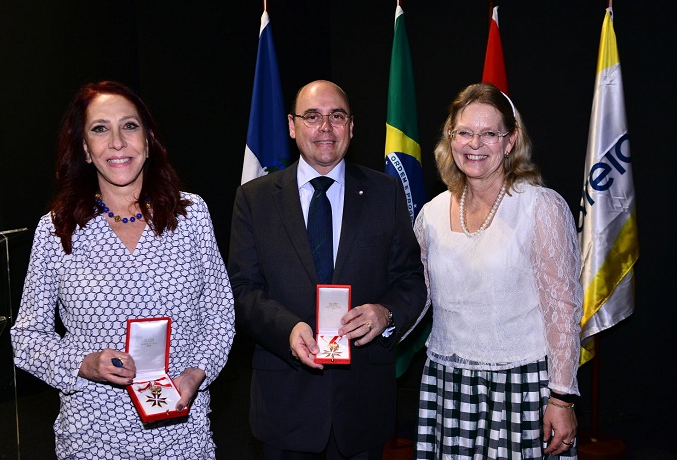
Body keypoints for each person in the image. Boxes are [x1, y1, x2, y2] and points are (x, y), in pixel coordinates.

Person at [10, 81, 235, 459]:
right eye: (100, 129)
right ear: (84, 148)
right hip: (93, 435)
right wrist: (83, 363)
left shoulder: (191, 214)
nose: (117, 142)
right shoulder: (56, 229)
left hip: (181, 432)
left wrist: (197, 373)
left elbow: (219, 315)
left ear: (148, 140)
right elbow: (28, 337)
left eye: (129, 126)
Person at [228, 80, 426, 459]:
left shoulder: (386, 193)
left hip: (363, 405)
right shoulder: (254, 200)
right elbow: (242, 290)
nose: (325, 128)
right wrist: (288, 330)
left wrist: (385, 313)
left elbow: (411, 281)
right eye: (312, 116)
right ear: (292, 125)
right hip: (285, 406)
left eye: (337, 116)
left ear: (351, 126)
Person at [412, 82, 582, 459]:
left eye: (489, 133)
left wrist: (562, 397)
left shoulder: (541, 207)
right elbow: (416, 298)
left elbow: (563, 311)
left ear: (510, 141)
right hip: (447, 384)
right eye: (465, 133)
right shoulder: (431, 214)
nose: (475, 144)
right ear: (450, 137)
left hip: (523, 388)